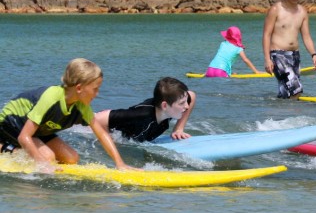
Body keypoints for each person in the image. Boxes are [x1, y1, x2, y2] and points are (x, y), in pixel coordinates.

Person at [0, 58, 133, 170]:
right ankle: (3, 147)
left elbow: (102, 134)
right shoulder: (51, 98)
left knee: (71, 158)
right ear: (79, 88)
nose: (97, 94)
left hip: (38, 129)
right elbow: (24, 137)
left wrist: (120, 163)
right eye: (95, 89)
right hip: (11, 122)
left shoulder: (81, 106)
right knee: (47, 158)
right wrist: (43, 164)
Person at [262, 0, 316, 98]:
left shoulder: (302, 11)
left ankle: (282, 115)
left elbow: (306, 36)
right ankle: (297, 116)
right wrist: (267, 59)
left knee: (286, 92)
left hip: (295, 56)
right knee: (296, 89)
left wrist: (314, 54)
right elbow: (266, 35)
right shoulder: (276, 10)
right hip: (278, 55)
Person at [94, 77, 197, 142]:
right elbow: (98, 118)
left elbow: (192, 95)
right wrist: (107, 138)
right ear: (164, 106)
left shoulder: (169, 108)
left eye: (185, 102)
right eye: (182, 103)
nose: (186, 106)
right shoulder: (141, 115)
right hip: (90, 129)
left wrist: (179, 129)